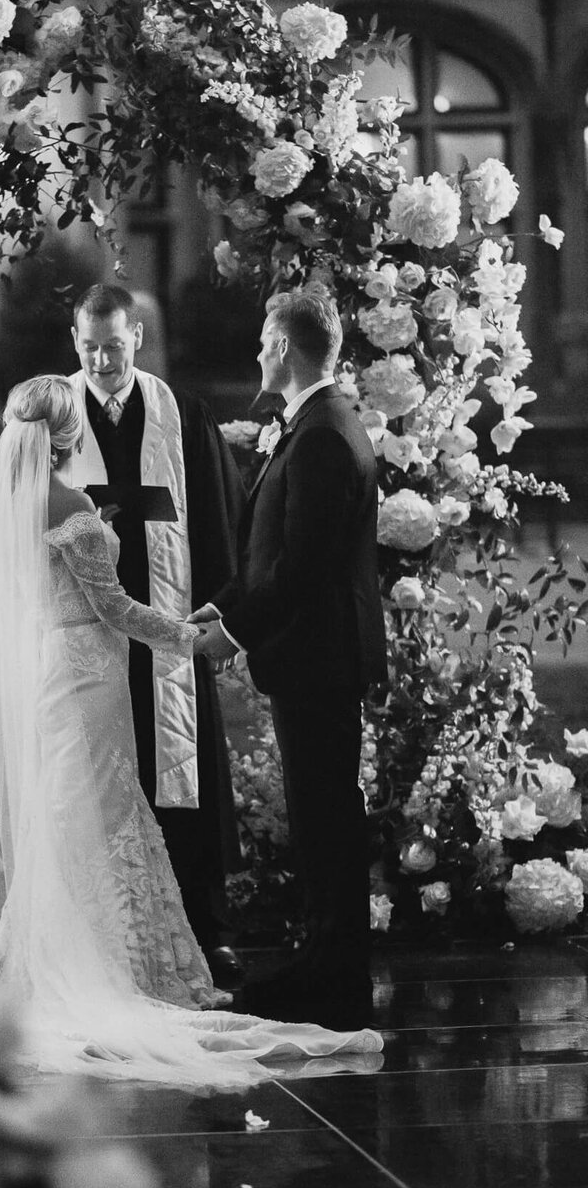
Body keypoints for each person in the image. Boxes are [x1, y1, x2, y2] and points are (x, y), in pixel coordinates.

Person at [0, 374, 383, 1086]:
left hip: (48, 672)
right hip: (91, 674)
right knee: (108, 807)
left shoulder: (15, 504)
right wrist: (189, 636)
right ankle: (120, 962)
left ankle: (61, 948)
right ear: (68, 437)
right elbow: (117, 607)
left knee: (65, 809)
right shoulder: (74, 512)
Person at [192, 290, 388, 1030]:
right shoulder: (314, 425)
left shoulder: (322, 436)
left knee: (326, 813)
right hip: (314, 655)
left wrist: (233, 636)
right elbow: (270, 551)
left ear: (284, 345)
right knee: (319, 812)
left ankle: (335, 969)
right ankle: (326, 955)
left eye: (263, 342)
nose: (255, 354)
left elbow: (302, 569)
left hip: (320, 657)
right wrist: (223, 606)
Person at [59, 284, 247, 988]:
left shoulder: (179, 415)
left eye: (114, 345)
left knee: (184, 774)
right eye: (90, 348)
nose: (104, 361)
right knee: (103, 776)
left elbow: (222, 519)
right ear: (75, 342)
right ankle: (112, 932)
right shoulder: (57, 419)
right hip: (92, 634)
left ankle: (205, 925)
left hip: (168, 626)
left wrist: (219, 609)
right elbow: (15, 518)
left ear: (136, 337)